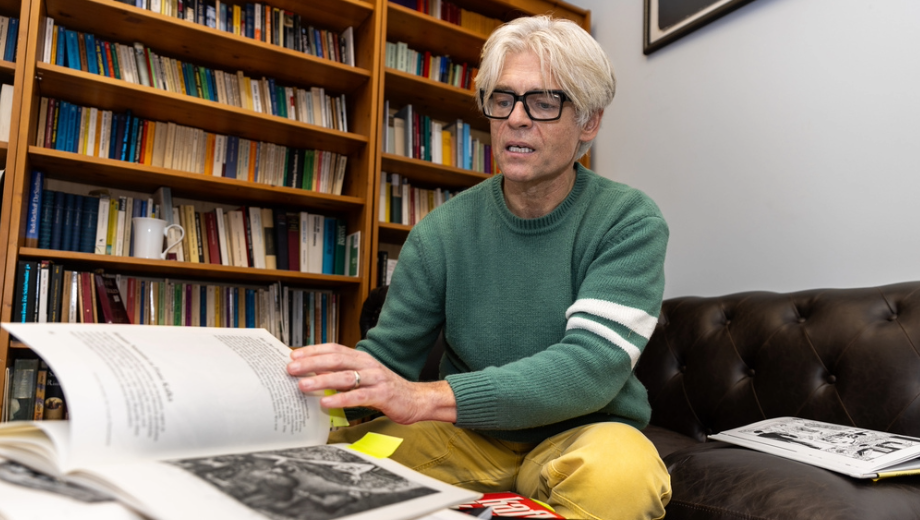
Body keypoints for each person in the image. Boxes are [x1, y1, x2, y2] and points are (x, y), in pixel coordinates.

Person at [287, 15, 671, 520]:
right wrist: (299, 396)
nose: (516, 118)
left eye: (544, 101)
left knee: (624, 477)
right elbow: (389, 355)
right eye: (502, 98)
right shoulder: (441, 230)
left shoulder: (628, 219)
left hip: (585, 434)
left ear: (590, 122)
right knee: (327, 467)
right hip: (464, 437)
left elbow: (590, 368)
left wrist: (423, 398)